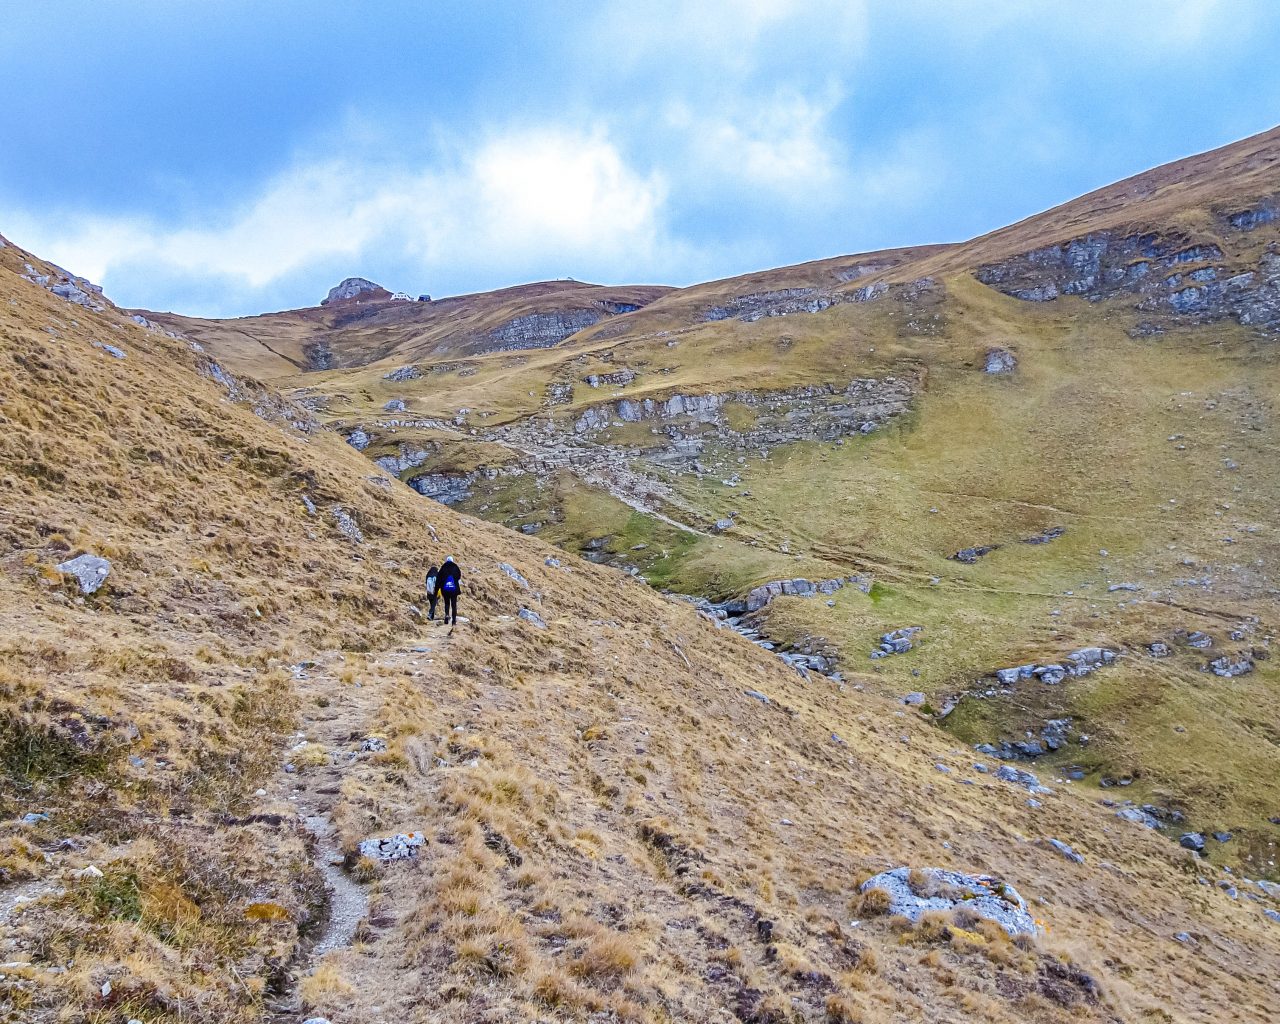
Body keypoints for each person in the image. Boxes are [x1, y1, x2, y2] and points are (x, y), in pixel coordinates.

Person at [437, 555, 462, 625]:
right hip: (454, 590)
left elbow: (439, 578)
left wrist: (439, 587)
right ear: (452, 560)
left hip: (445, 590)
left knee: (447, 603)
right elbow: (459, 576)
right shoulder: (455, 567)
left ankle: (446, 616)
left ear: (446, 560)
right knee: (454, 605)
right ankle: (454, 620)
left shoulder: (443, 567)